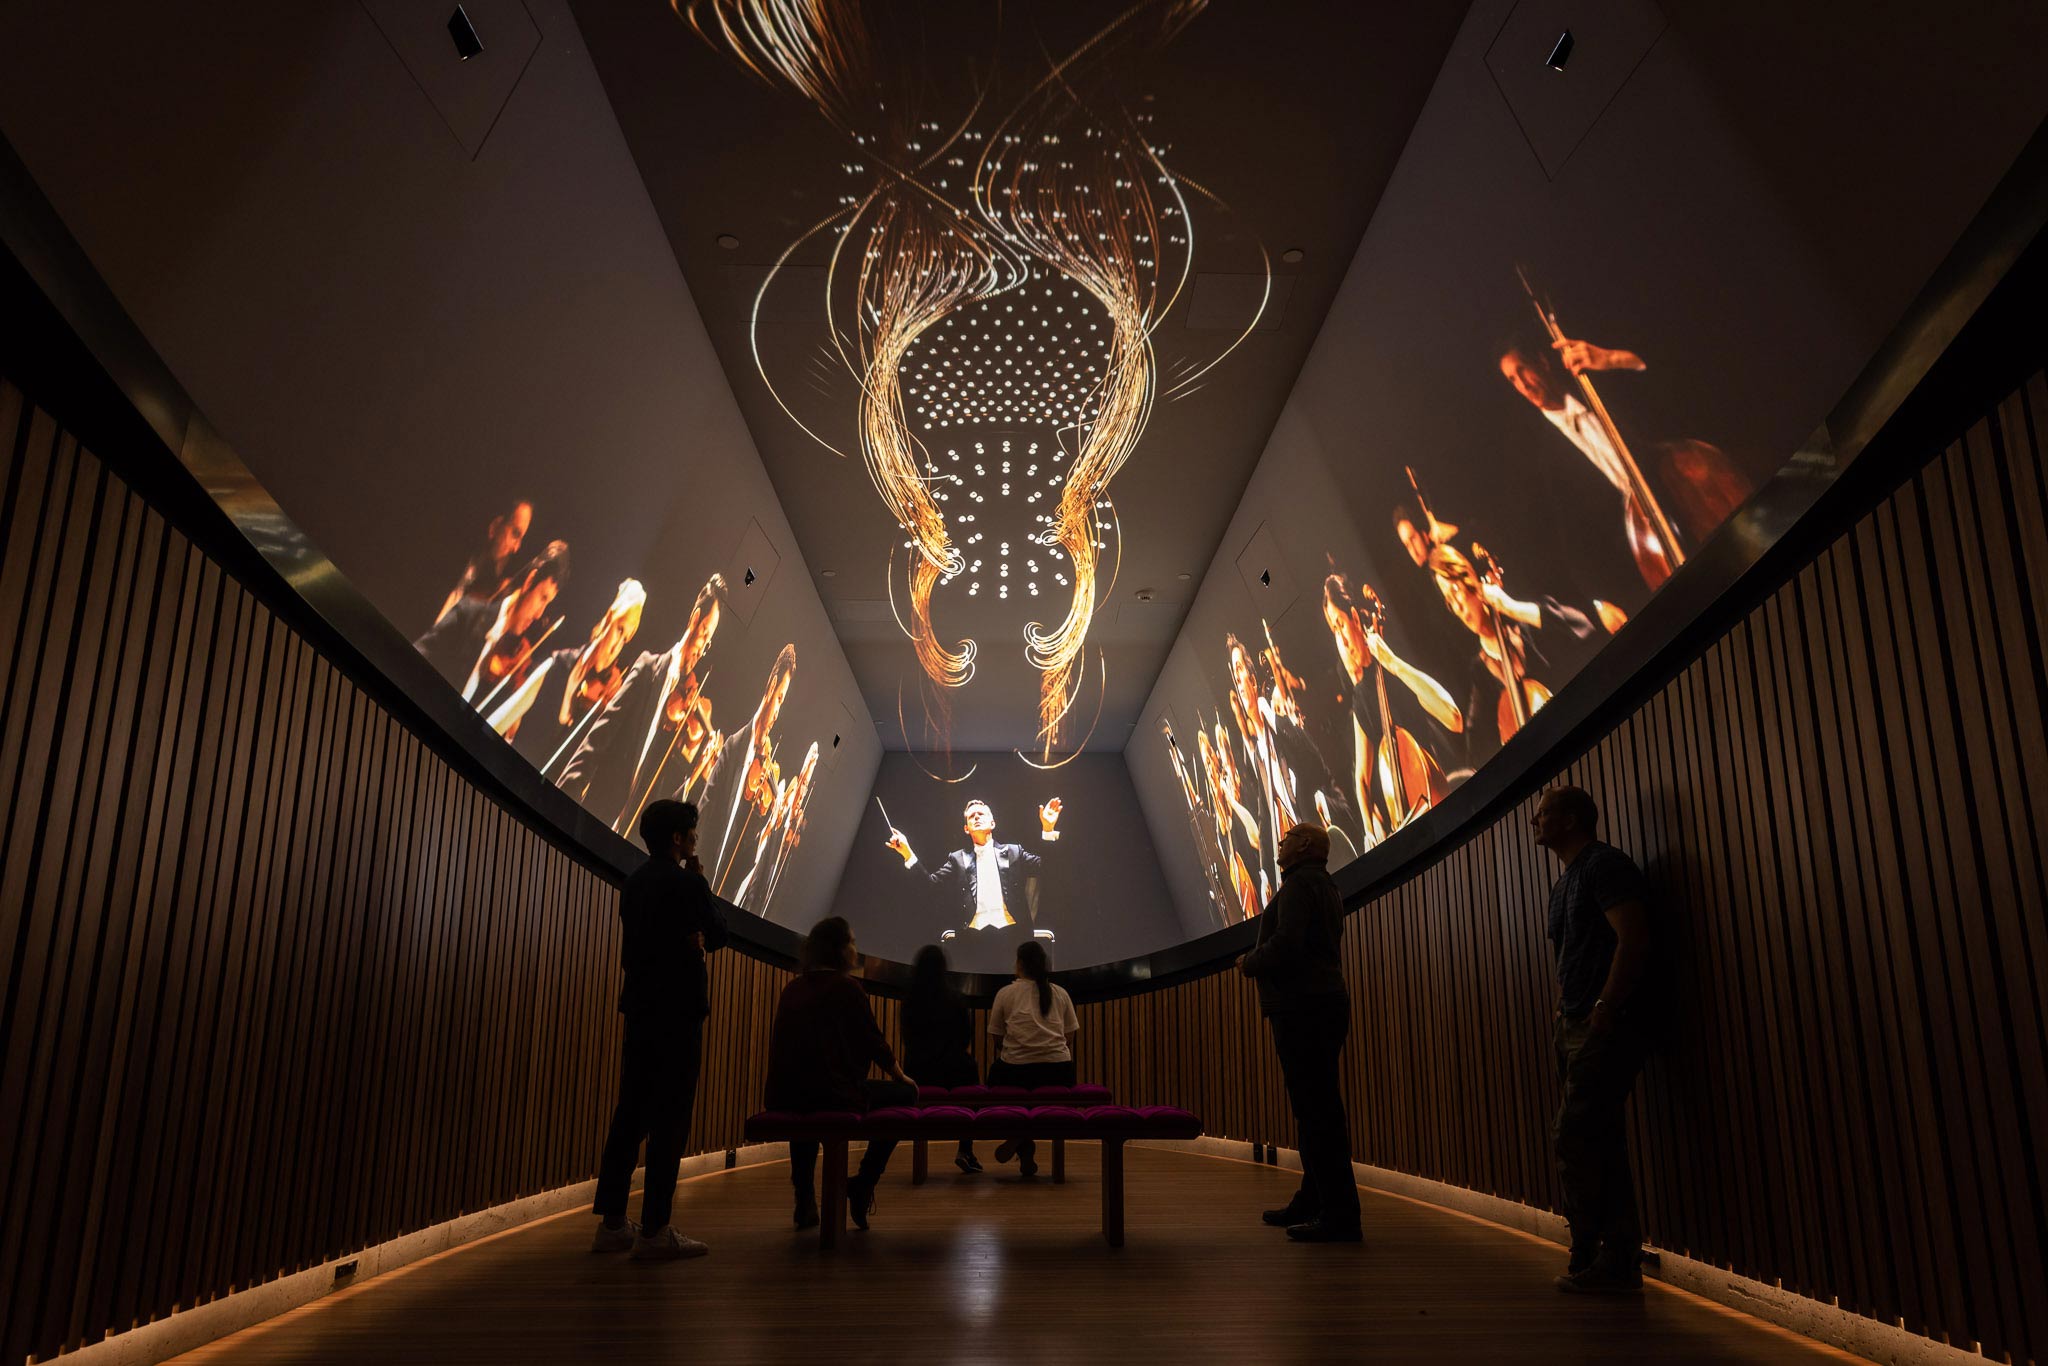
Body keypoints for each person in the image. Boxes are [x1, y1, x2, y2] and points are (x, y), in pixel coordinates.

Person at [591, 800, 730, 1261]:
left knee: (630, 1113)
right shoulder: (685, 882)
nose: (695, 839)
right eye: (691, 833)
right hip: (679, 1014)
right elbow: (719, 932)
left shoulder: (633, 884)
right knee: (670, 1121)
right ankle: (655, 1230)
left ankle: (613, 1223)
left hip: (641, 1010)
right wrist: (699, 881)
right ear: (678, 839)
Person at [1530, 784, 1653, 1294]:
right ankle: (1597, 1253)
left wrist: (1606, 1004)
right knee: (1596, 1136)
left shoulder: (1605, 866)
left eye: (1543, 814)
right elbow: (1570, 956)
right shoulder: (1563, 883)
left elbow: (1634, 936)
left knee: (1576, 1131)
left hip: (1605, 1020)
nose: (1534, 823)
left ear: (1571, 818)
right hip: (1576, 1021)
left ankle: (1607, 1253)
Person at [1239, 823, 1360, 1242]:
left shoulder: (1297, 888)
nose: (1280, 842)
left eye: (1287, 837)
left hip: (1302, 1007)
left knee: (1316, 1114)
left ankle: (1339, 1215)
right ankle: (1315, 1200)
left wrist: (1250, 962)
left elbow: (1287, 944)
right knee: (1319, 1111)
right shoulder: (1324, 885)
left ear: (1305, 845)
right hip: (1323, 1002)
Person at [763, 917, 917, 1231]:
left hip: (785, 1095)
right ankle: (864, 1181)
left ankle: (804, 1197)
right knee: (906, 1097)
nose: (855, 949)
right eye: (852, 943)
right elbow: (874, 1042)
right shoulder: (848, 988)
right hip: (835, 1094)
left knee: (805, 1104)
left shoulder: (792, 989)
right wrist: (901, 1075)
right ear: (839, 950)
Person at [558, 574, 726, 830]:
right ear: (694, 620)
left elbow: (670, 794)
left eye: (708, 643)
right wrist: (560, 802)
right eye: (704, 635)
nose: (702, 650)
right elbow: (597, 740)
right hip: (596, 818)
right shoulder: (648, 667)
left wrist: (700, 762)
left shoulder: (683, 713)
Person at [487, 578, 646, 773]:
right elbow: (500, 722)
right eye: (619, 630)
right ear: (609, 617)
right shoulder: (557, 666)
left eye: (625, 639)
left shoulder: (598, 705)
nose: (616, 647)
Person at [885, 796, 1063, 939]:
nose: (976, 817)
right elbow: (930, 887)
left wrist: (1048, 830)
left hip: (1014, 937)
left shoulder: (1014, 852)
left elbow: (1048, 870)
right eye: (971, 816)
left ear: (992, 823)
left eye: (981, 814)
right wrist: (908, 853)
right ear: (966, 828)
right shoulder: (957, 859)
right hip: (972, 939)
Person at [412, 539, 569, 693]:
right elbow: (410, 661)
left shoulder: (509, 663)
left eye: (547, 604)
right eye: (542, 598)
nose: (539, 614)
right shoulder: (468, 614)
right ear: (529, 582)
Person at [984, 939, 1080, 1178]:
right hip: (1060, 1072)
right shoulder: (1060, 993)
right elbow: (1069, 1037)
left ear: (1019, 964)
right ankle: (1024, 1145)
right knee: (1036, 1089)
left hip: (1017, 1072)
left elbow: (997, 1039)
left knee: (996, 1076)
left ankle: (1019, 1137)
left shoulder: (1006, 993)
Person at [902, 944, 983, 1173]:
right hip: (954, 1070)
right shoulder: (954, 998)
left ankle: (919, 1159)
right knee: (972, 1075)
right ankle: (965, 1148)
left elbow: (907, 1038)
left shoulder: (909, 1000)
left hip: (918, 1069)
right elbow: (965, 1038)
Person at [432, 500, 533, 627]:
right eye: (515, 534)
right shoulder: (443, 555)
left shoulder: (487, 590)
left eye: (521, 539)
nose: (516, 548)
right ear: (495, 527)